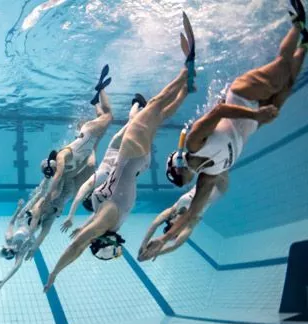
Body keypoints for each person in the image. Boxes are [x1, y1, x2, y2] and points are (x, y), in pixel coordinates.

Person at [43, 13, 195, 292]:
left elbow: (89, 226)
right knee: (152, 109)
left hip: (135, 160)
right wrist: (54, 273)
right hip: (129, 157)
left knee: (155, 116)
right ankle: (186, 71)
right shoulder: (108, 218)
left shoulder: (106, 219)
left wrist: (78, 221)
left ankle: (187, 89)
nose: (88, 234)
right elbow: (77, 245)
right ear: (100, 237)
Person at [152, 1, 308, 255]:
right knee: (287, 86)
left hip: (241, 97)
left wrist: (256, 112)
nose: (184, 183)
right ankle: (305, 42)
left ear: (180, 166)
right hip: (254, 121)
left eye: (181, 179)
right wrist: (164, 241)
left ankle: (297, 23)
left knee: (280, 73)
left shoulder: (193, 142)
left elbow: (220, 110)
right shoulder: (208, 176)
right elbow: (191, 215)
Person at [24, 65, 115, 256]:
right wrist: (32, 247)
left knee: (108, 116)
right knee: (92, 162)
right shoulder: (47, 214)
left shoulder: (61, 158)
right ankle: (95, 101)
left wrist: (48, 196)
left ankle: (100, 89)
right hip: (86, 150)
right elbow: (40, 231)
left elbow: (55, 179)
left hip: (87, 134)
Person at [60, 94, 147, 233]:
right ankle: (139, 106)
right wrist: (76, 222)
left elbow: (89, 209)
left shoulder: (103, 184)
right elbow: (89, 208)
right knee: (133, 125)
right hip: (118, 151)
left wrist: (76, 221)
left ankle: (138, 105)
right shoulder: (101, 183)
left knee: (133, 124)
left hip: (119, 150)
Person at [137, 174, 227, 261]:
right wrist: (153, 251)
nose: (173, 223)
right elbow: (175, 245)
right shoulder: (189, 224)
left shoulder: (174, 210)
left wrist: (144, 244)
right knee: (224, 165)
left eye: (171, 224)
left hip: (205, 181)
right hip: (218, 187)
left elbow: (155, 224)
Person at [0, 199, 36, 290]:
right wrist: (3, 281)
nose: (5, 247)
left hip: (24, 221)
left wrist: (18, 208)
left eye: (3, 248)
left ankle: (38, 194)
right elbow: (15, 268)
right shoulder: (20, 253)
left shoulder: (9, 239)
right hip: (34, 225)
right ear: (9, 253)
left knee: (20, 217)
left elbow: (11, 223)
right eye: (4, 251)